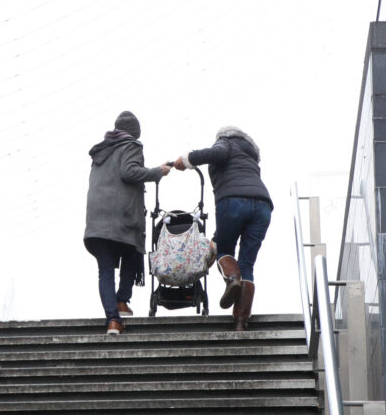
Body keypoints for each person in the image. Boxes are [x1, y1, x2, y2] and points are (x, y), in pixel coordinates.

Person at [174, 126, 272, 331]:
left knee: (224, 251)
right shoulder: (250, 157)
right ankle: (240, 322)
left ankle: (232, 279)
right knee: (247, 264)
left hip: (232, 201)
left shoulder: (226, 142)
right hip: (263, 206)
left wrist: (186, 160)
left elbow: (217, 153)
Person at [85, 111, 172, 335]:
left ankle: (114, 319)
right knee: (133, 252)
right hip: (121, 218)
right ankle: (121, 301)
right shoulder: (131, 145)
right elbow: (129, 171)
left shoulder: (100, 153)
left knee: (105, 270)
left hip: (95, 222)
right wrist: (157, 172)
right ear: (134, 132)